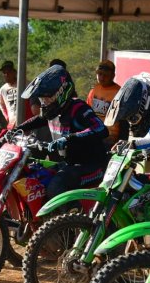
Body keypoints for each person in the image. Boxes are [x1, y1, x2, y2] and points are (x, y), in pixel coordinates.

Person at [16, 64, 109, 199]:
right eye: (42, 100)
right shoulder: (55, 111)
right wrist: (16, 130)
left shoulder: (79, 108)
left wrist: (68, 138)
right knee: (36, 179)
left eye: (47, 99)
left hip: (93, 166)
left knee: (56, 187)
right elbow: (39, 119)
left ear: (61, 93)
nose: (44, 103)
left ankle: (75, 219)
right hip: (70, 164)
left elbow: (101, 129)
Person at [86, 60, 127, 148]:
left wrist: (122, 141)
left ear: (113, 76)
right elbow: (87, 113)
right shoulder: (94, 90)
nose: (101, 77)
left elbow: (124, 121)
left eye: (105, 75)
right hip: (93, 134)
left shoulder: (119, 93)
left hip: (110, 139)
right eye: (99, 74)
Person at [0, 60, 32, 130]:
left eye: (9, 72)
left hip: (28, 123)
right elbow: (1, 104)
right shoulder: (2, 90)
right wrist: (7, 117)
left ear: (14, 72)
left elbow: (33, 101)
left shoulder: (25, 84)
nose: (6, 75)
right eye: (4, 73)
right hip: (12, 124)